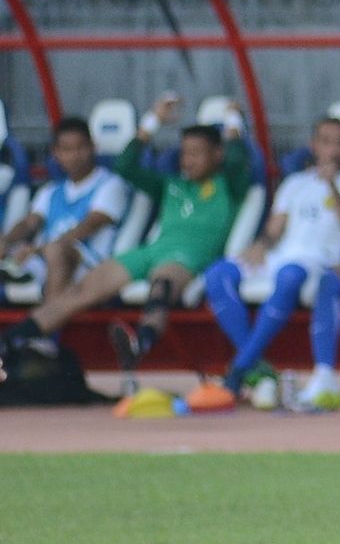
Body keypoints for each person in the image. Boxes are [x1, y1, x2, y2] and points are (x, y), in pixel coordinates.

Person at [24, 103, 255, 372]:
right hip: (149, 252)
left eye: (197, 153)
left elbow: (238, 159)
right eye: (184, 154)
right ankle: (16, 339)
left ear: (217, 154)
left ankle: (140, 343)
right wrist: (151, 123)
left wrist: (233, 122)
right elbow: (125, 166)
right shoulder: (171, 185)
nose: (188, 160)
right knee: (82, 290)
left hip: (187, 258)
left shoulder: (229, 184)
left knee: (162, 286)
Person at [200, 111, 340, 407]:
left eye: (339, 143)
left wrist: (333, 186)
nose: (332, 149)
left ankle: (238, 372)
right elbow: (275, 230)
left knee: (289, 276)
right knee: (218, 273)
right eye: (326, 142)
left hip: (318, 261)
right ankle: (257, 367)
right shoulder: (294, 183)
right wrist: (260, 245)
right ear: (313, 145)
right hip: (281, 255)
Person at [3, 117, 132, 309]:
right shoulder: (50, 191)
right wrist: (6, 241)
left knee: (56, 251)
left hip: (89, 264)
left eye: (81, 147)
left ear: (93, 147)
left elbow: (89, 226)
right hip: (45, 258)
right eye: (67, 150)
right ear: (56, 153)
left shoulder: (110, 185)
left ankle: (45, 333)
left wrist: (38, 250)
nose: (75, 155)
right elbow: (29, 223)